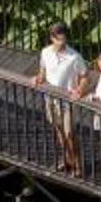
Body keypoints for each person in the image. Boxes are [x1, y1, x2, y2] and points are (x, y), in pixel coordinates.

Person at [33, 23, 87, 170]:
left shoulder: (74, 57)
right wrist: (39, 78)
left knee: (70, 133)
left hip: (68, 102)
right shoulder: (45, 52)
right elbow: (43, 71)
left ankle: (78, 165)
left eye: (64, 40)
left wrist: (79, 90)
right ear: (52, 38)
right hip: (50, 99)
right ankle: (67, 160)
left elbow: (84, 76)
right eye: (59, 40)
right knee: (59, 132)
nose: (62, 43)